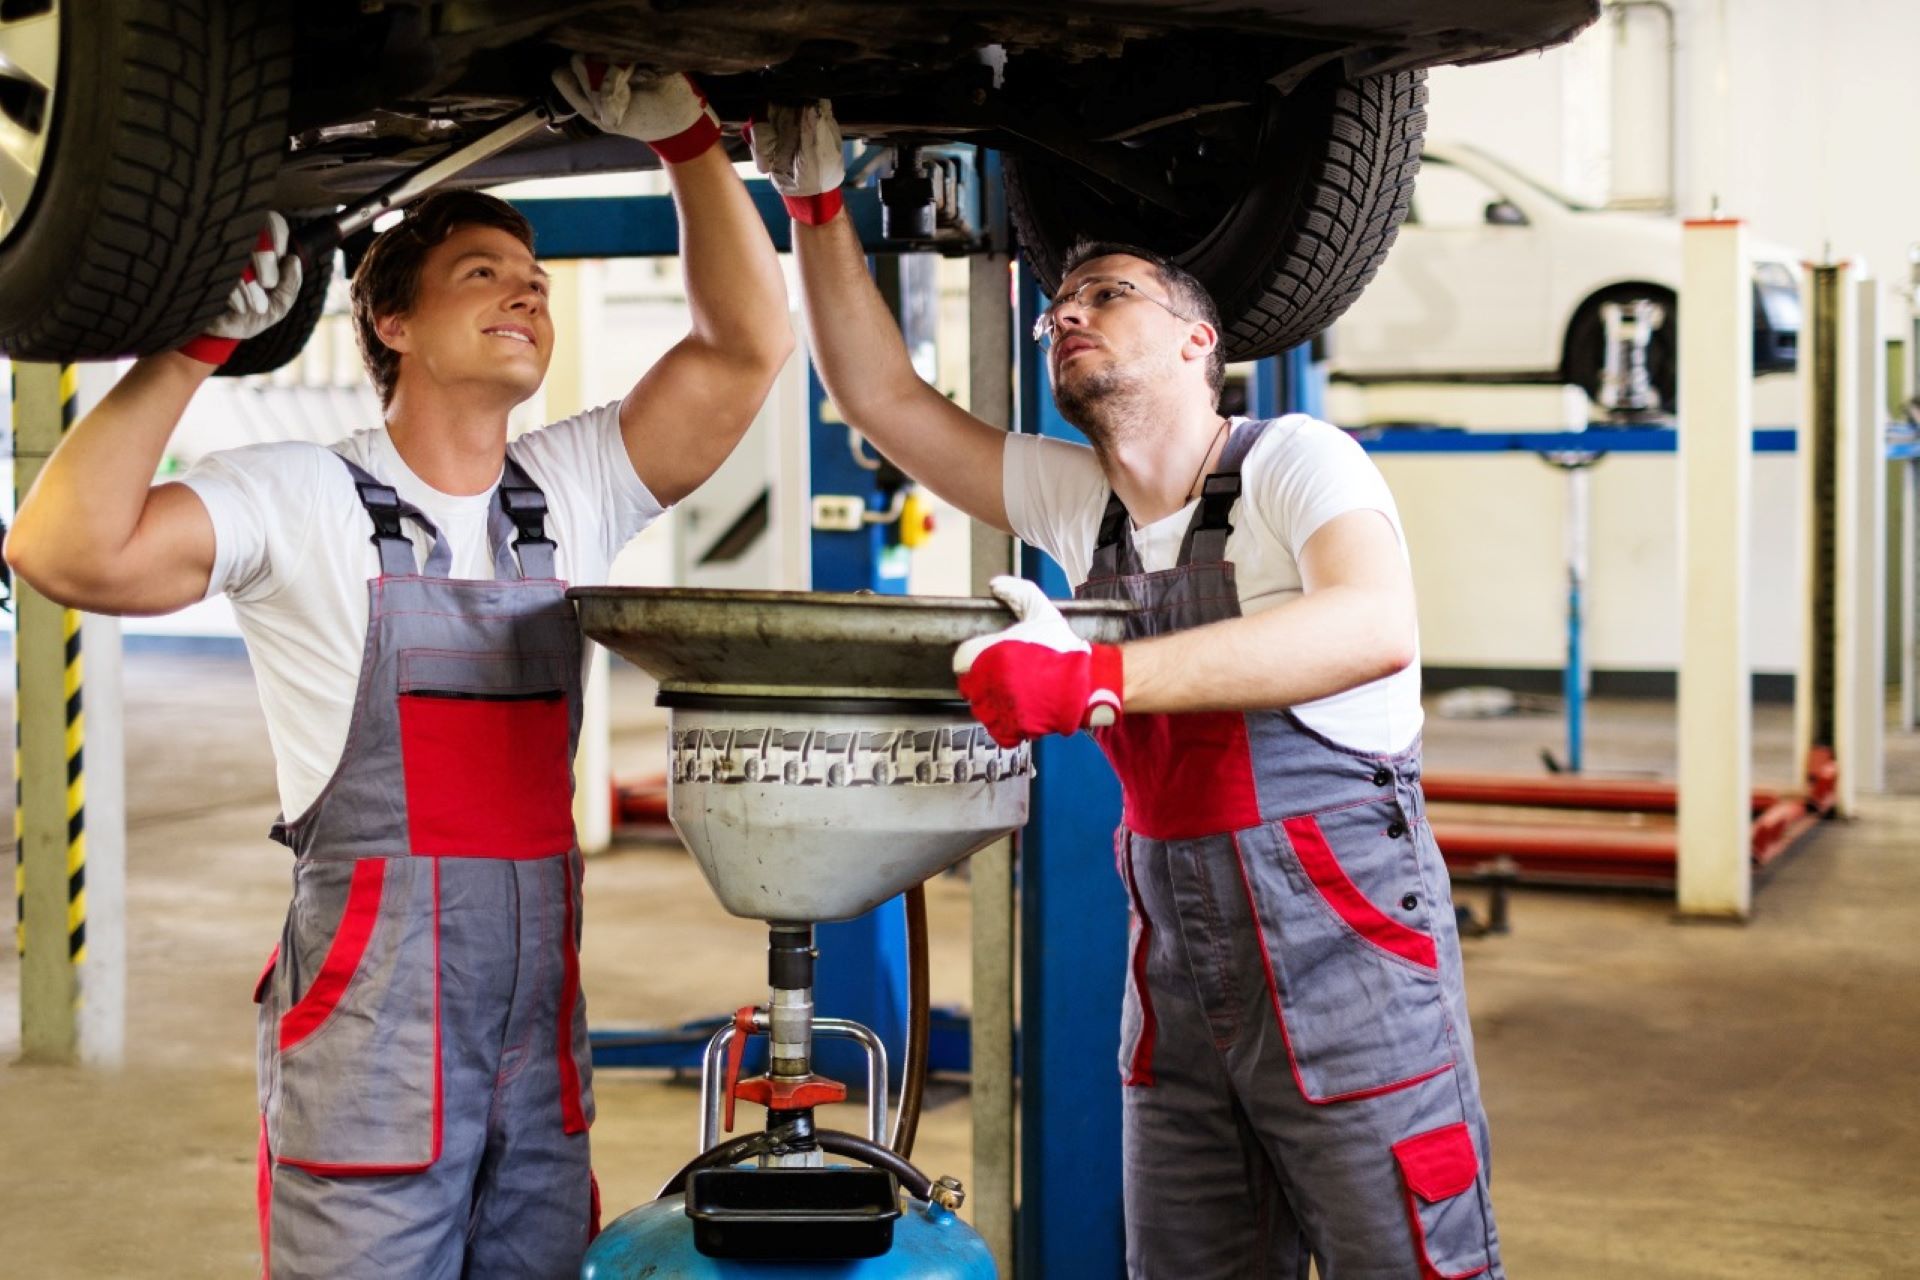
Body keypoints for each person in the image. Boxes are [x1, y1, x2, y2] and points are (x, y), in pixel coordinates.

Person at [6, 61, 793, 1279]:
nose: (525, 296)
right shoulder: (306, 493)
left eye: (535, 284)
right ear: (391, 322)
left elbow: (746, 349)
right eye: (483, 276)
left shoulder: (569, 488)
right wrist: (200, 343)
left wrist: (690, 139)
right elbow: (61, 547)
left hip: (535, 1059)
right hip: (372, 1059)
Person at [750, 103, 1503, 1279]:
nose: (1067, 312)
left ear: (1201, 342)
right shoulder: (1080, 504)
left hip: (1351, 986)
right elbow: (885, 401)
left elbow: (1371, 625)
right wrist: (813, 204)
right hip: (1178, 995)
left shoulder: (1294, 461)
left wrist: (1095, 677)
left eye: (1108, 294)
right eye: (1062, 303)